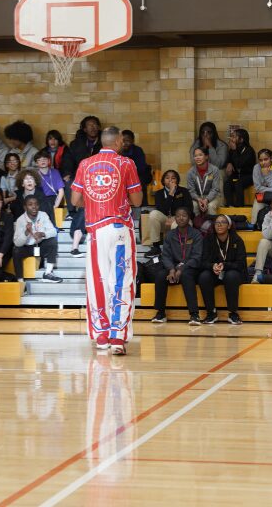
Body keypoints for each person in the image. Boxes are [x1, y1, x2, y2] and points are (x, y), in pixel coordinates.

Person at [71, 125, 142, 355]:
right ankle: (118, 338)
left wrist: (93, 202)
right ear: (118, 141)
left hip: (95, 232)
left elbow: (75, 199)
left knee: (97, 282)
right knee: (121, 282)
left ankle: (101, 336)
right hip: (119, 228)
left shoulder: (85, 164)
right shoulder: (126, 163)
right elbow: (138, 200)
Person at [149, 206, 203, 326]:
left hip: (190, 267)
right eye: (178, 216)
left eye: (184, 215)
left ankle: (194, 314)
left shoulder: (196, 234)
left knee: (186, 276)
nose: (180, 218)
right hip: (172, 268)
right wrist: (172, 269)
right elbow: (166, 256)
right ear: (175, 218)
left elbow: (196, 257)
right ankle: (160, 313)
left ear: (189, 218)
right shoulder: (169, 235)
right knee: (160, 276)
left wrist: (181, 269)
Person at [197, 214, 247, 325]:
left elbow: (241, 264)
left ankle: (233, 313)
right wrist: (212, 266)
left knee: (231, 276)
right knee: (204, 277)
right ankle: (211, 313)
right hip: (215, 272)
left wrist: (225, 265)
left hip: (232, 272)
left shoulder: (237, 240)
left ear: (229, 226)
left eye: (223, 222)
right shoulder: (208, 240)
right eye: (216, 222)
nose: (219, 224)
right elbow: (203, 261)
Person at [143, 169, 194, 258]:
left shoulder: (184, 191)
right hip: (166, 221)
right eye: (167, 178)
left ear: (177, 180)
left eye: (173, 178)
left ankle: (178, 250)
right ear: (163, 180)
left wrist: (176, 217)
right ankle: (156, 247)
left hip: (180, 219)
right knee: (153, 214)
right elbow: (162, 210)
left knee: (176, 225)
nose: (170, 180)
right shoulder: (159, 193)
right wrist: (170, 194)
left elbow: (189, 208)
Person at [13, 195, 62, 285]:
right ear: (25, 207)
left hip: (40, 246)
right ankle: (20, 281)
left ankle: (48, 273)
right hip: (27, 248)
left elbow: (53, 231)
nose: (34, 207)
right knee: (16, 251)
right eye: (30, 204)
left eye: (36, 204)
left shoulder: (43, 215)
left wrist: (43, 234)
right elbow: (17, 242)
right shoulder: (20, 220)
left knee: (53, 241)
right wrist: (26, 233)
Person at [62, 115, 102, 216]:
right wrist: (67, 173)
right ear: (84, 129)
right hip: (80, 175)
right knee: (69, 183)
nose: (93, 127)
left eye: (95, 125)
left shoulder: (104, 142)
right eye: (89, 125)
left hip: (99, 176)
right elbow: (68, 159)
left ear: (99, 127)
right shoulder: (76, 144)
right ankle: (73, 212)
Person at [251, 148, 272, 225]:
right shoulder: (256, 168)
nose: (263, 162)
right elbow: (258, 188)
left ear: (271, 158)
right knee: (256, 207)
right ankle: (253, 226)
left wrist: (266, 176)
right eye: (260, 160)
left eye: (266, 159)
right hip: (263, 196)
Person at [223, 128, 256, 208]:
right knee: (227, 183)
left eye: (234, 137)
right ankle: (230, 206)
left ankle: (239, 207)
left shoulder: (249, 150)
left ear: (241, 139)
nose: (231, 139)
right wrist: (229, 163)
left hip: (248, 175)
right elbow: (228, 160)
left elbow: (239, 164)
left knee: (238, 183)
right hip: (237, 175)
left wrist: (234, 150)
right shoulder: (233, 150)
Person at [187, 147, 222, 217]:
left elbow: (215, 189)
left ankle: (211, 226)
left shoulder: (214, 170)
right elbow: (191, 190)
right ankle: (196, 225)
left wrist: (207, 200)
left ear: (206, 156)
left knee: (210, 206)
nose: (197, 158)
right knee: (193, 205)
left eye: (200, 155)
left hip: (213, 197)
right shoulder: (191, 172)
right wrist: (198, 199)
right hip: (197, 197)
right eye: (195, 156)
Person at [120, 130, 152, 200]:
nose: (125, 143)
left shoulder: (138, 150)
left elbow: (141, 167)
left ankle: (141, 204)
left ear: (132, 141)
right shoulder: (118, 150)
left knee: (139, 182)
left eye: (127, 141)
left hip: (137, 175)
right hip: (122, 176)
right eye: (123, 140)